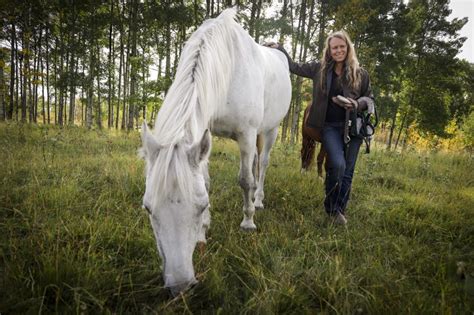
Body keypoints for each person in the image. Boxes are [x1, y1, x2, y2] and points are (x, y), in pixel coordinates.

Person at [267, 30, 375, 225]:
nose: (339, 50)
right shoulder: (320, 68)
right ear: (329, 50)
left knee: (348, 171)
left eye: (342, 47)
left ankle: (339, 209)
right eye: (335, 47)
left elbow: (369, 99)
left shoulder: (361, 73)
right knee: (338, 164)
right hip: (330, 127)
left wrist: (356, 104)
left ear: (348, 48)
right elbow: (295, 67)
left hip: (353, 127)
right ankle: (332, 208)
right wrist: (280, 49)